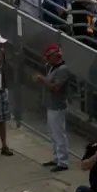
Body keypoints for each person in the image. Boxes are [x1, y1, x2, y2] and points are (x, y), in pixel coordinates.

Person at [34, 41, 72, 170]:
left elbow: (55, 88)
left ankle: (63, 161)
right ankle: (56, 157)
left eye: (48, 57)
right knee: (53, 133)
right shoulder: (51, 67)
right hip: (51, 105)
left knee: (59, 134)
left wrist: (43, 80)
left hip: (58, 106)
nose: (47, 59)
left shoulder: (63, 70)